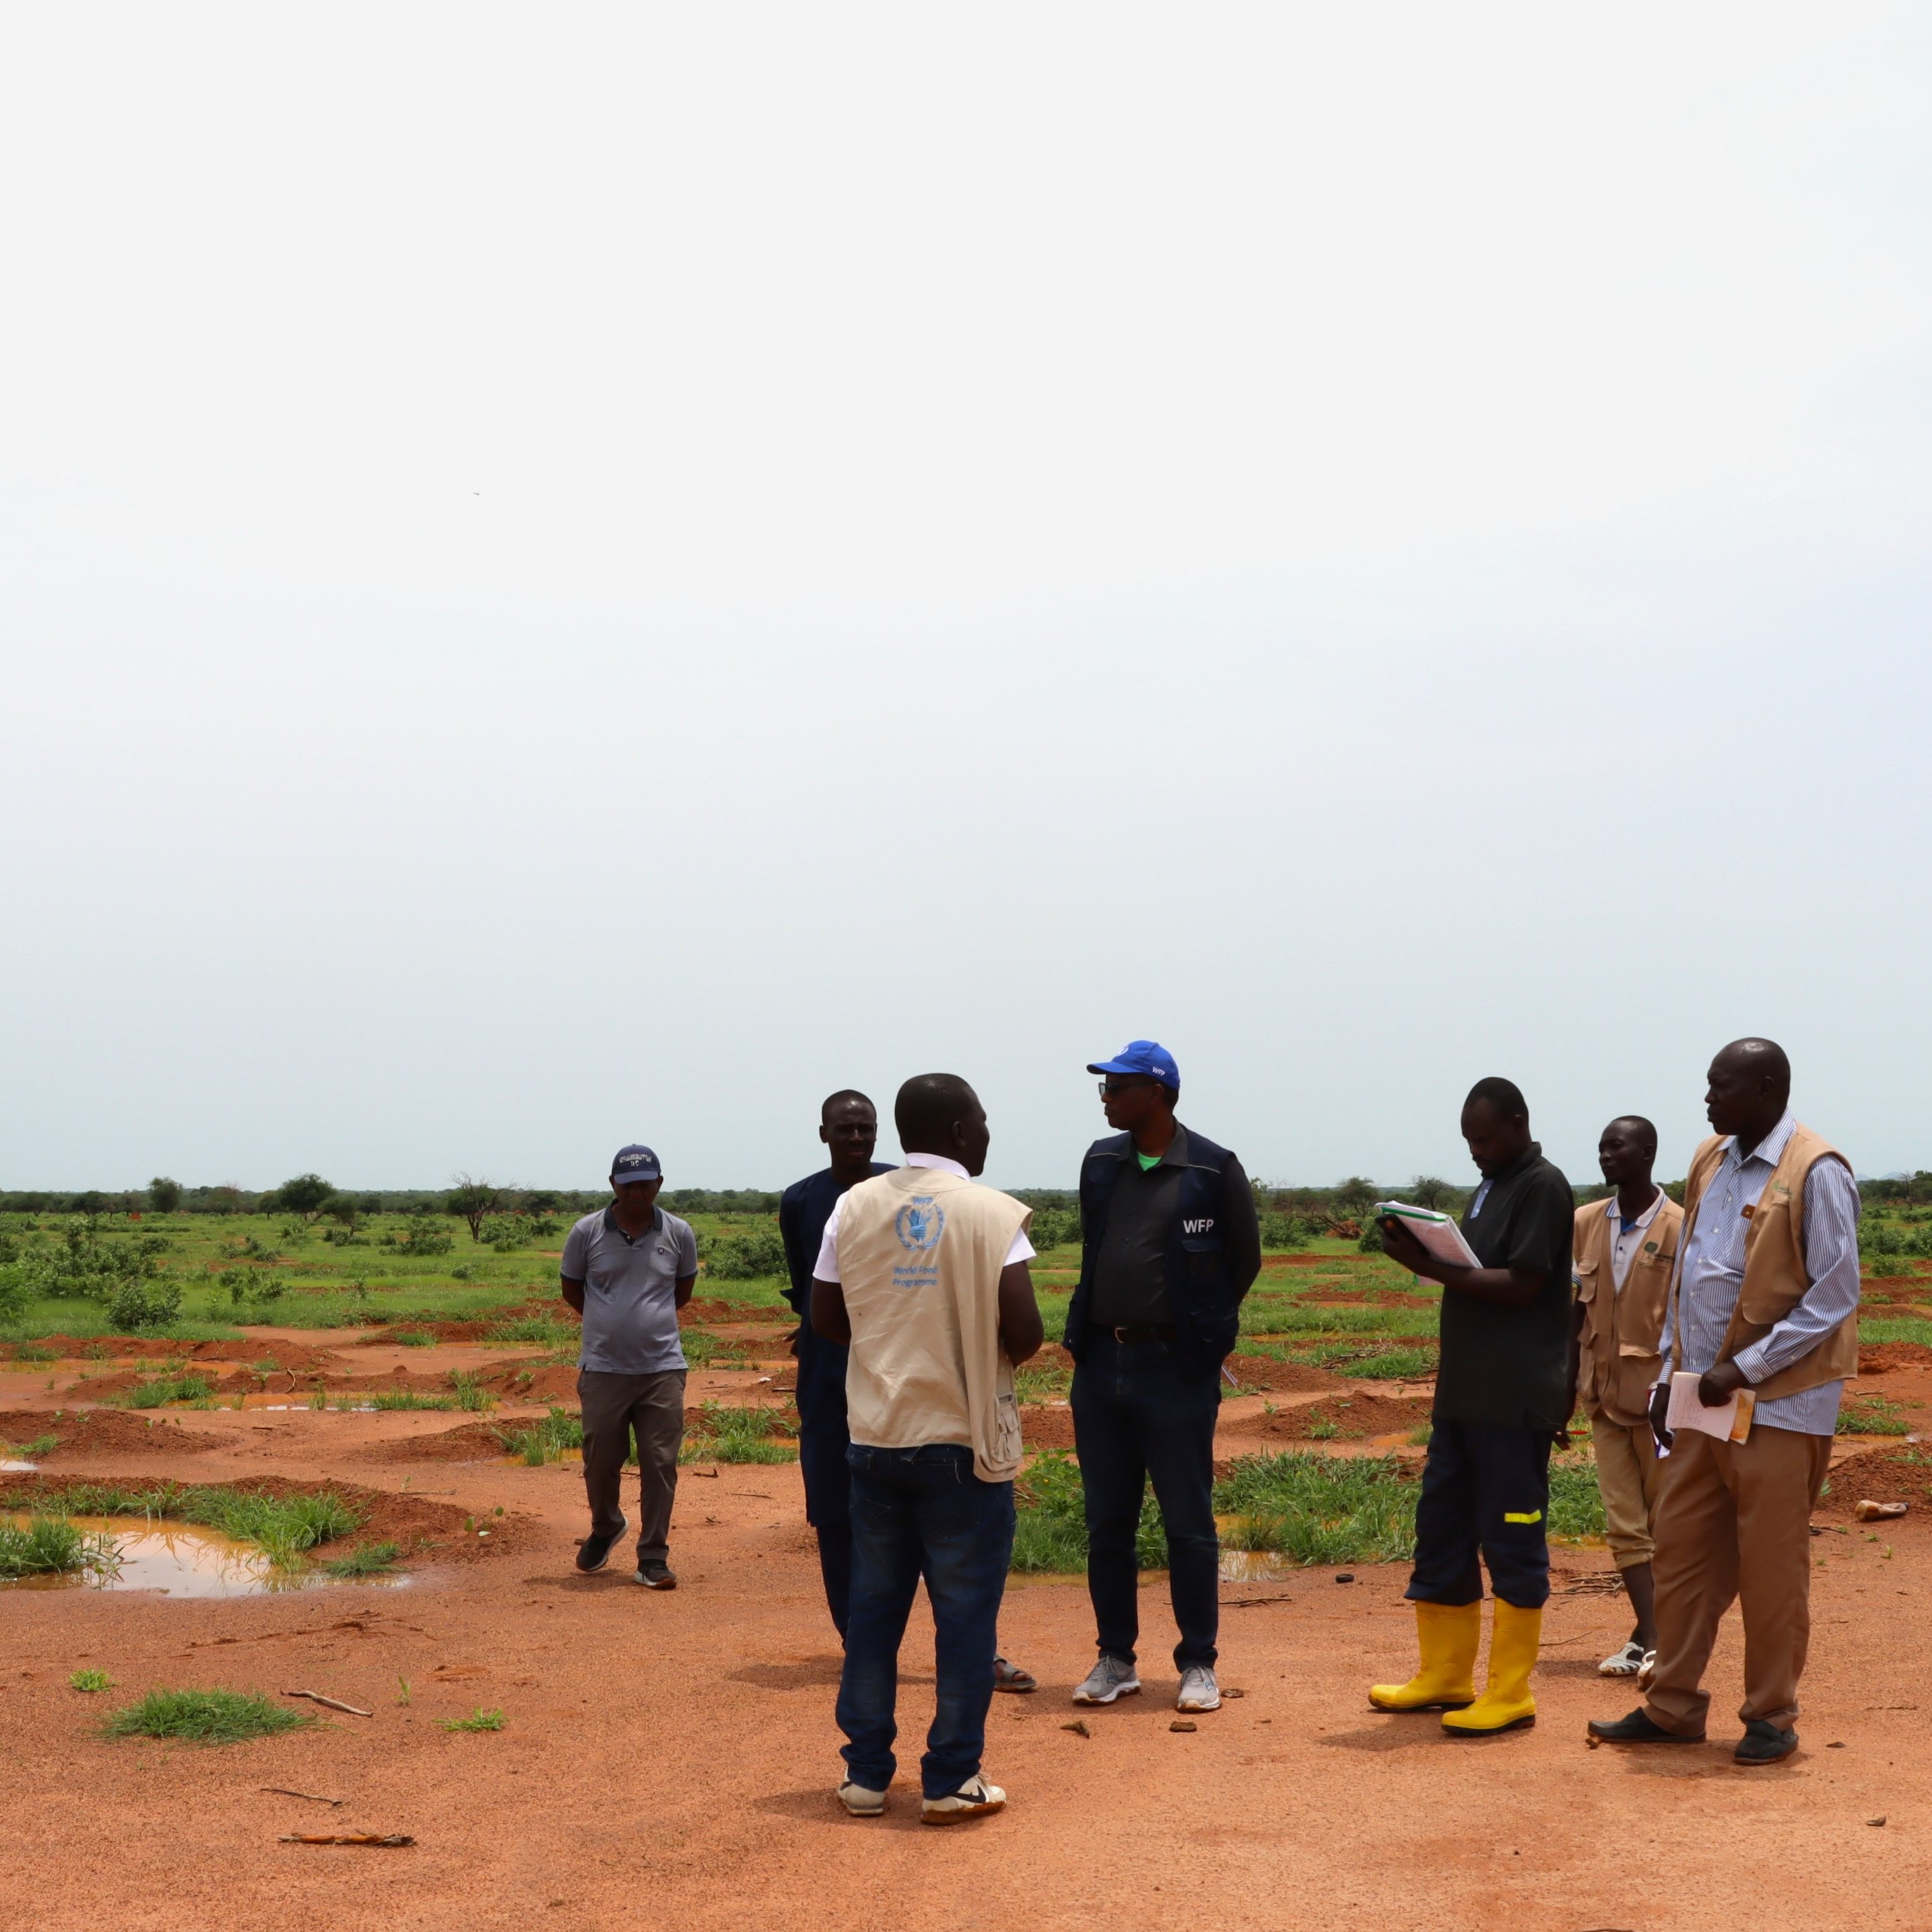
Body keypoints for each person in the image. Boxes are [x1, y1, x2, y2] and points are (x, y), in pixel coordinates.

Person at [1589, 1039, 1860, 1766]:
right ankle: (1672, 1705)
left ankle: (1771, 1716)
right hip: (1702, 1399)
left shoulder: (1816, 1169)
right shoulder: (1710, 1158)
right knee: (1680, 1553)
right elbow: (1689, 1280)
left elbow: (1836, 1292)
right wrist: (1669, 1377)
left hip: (1779, 1404)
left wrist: (1744, 1368)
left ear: (1766, 1087)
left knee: (1770, 1570)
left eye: (1721, 1086)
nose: (1707, 1099)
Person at [810, 1074, 1043, 1824]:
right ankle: (950, 1778)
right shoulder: (993, 1212)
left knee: (873, 1614)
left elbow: (826, 1316)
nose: (986, 1130)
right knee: (965, 1620)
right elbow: (1026, 1332)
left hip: (876, 1438)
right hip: (960, 1444)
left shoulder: (852, 1205)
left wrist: (886, 1345)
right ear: (961, 1130)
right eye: (981, 1119)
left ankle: (865, 1776)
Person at [779, 1091, 1037, 1687]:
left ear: (884, 1133)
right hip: (835, 1375)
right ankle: (861, 1645)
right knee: (839, 1511)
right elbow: (814, 1297)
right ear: (823, 1134)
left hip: (926, 1380)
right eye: (844, 1129)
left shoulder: (906, 1192)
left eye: (864, 1128)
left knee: (937, 1522)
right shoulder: (808, 1201)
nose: (855, 1138)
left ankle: (972, 1654)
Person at [1063, 1041, 1261, 1715]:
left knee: (1188, 1523)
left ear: (1156, 1092)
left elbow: (1242, 1261)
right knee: (1107, 1521)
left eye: (1116, 1087)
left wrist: (1200, 1332)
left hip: (1175, 1369)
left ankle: (1198, 1662)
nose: (1105, 1098)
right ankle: (1115, 1659)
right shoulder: (1099, 1162)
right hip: (1100, 1364)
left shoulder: (1211, 1166)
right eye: (1104, 1087)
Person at [1371, 1078, 1574, 1737]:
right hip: (1461, 1397)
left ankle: (1510, 1692)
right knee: (1442, 1531)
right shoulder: (1488, 1185)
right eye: (1467, 1141)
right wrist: (1421, 1252)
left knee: (1511, 1537)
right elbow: (1471, 1271)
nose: (1475, 1151)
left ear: (1518, 1123)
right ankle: (1445, 1676)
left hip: (1512, 1401)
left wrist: (1430, 1267)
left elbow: (1522, 1285)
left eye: (1484, 1138)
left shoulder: (1542, 1185)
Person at [561, 1145, 700, 1589]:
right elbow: (572, 1289)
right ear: (613, 1184)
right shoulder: (586, 1232)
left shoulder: (678, 1232)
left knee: (660, 1463)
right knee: (600, 1459)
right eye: (628, 1184)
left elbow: (681, 1291)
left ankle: (653, 1556)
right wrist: (610, 1324)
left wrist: (644, 1322)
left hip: (662, 1367)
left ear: (659, 1183)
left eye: (645, 1184)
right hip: (604, 1368)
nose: (636, 1192)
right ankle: (606, 1526)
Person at [1573, 1116, 1683, 1677]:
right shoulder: (1584, 1222)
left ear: (1647, 1153)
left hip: (1657, 1402)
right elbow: (1573, 1311)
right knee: (1623, 1521)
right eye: (1601, 1147)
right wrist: (1562, 1388)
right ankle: (1655, 1639)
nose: (1605, 1155)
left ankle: (1649, 1637)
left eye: (1616, 1146)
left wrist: (1670, 1385)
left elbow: (1688, 1321)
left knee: (1664, 1523)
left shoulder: (1680, 1228)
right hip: (1601, 1395)